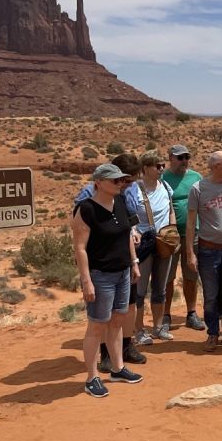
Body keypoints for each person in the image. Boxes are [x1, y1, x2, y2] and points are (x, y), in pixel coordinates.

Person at [69, 162, 143, 396]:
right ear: (99, 183)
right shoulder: (86, 209)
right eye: (115, 181)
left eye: (122, 180)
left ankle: (118, 367)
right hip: (100, 275)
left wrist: (134, 262)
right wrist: (86, 280)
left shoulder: (120, 202)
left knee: (118, 321)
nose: (121, 184)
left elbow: (128, 236)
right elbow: (80, 248)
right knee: (97, 326)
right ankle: (92, 377)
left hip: (123, 272)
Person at [187, 150, 222, 350]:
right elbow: (190, 222)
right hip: (208, 250)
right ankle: (213, 334)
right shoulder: (198, 189)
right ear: (216, 167)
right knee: (211, 295)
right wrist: (190, 253)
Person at [125, 151, 176, 352]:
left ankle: (157, 327)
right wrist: (135, 232)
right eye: (157, 166)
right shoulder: (135, 190)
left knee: (160, 287)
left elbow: (170, 209)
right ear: (145, 168)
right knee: (140, 290)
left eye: (162, 165)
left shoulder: (165, 186)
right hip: (144, 245)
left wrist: (172, 231)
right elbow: (130, 216)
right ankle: (138, 330)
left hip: (164, 242)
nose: (161, 169)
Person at [160, 144, 206, 331]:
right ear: (170, 158)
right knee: (167, 277)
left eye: (187, 157)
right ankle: (165, 315)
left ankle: (191, 313)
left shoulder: (196, 177)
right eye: (180, 157)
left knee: (191, 275)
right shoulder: (162, 178)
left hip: (193, 234)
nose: (184, 161)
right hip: (170, 235)